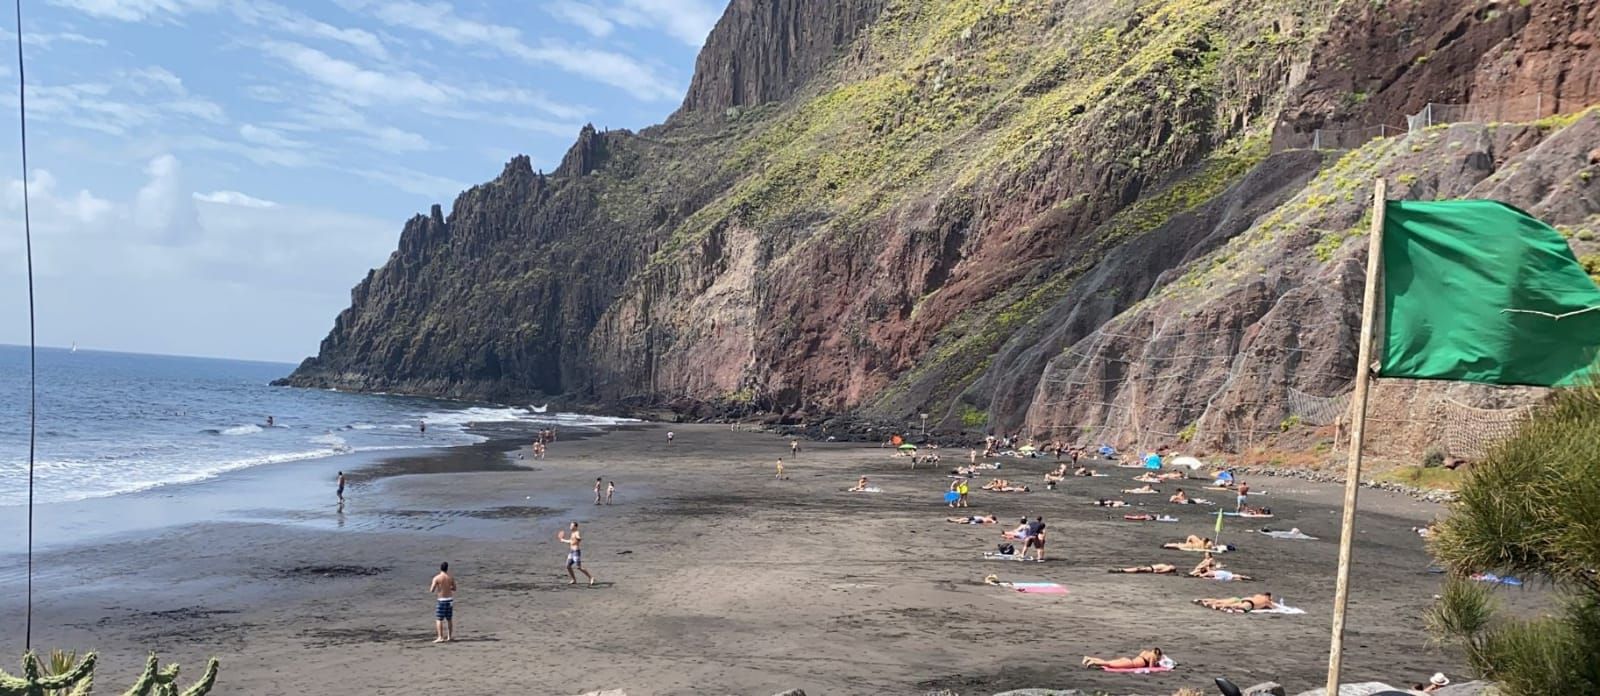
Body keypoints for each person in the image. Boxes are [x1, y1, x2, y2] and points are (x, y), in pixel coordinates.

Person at [558, 521, 594, 586]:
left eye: (572, 526)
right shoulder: (572, 533)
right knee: (568, 566)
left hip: (576, 552)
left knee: (578, 567)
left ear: (575, 526)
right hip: (571, 552)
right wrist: (563, 540)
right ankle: (574, 580)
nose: (570, 527)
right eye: (570, 525)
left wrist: (579, 538)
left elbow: (578, 537)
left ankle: (591, 577)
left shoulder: (577, 533)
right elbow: (571, 542)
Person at [430, 562, 456, 643]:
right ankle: (449, 636)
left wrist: (439, 587)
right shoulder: (450, 577)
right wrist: (448, 587)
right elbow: (454, 588)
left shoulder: (437, 578)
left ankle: (440, 637)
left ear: (440, 568)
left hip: (442, 600)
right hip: (450, 600)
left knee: (439, 619)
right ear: (447, 568)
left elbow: (432, 590)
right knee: (449, 619)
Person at [1081, 647, 1163, 670]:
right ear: (1157, 655)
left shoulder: (1145, 652)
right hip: (1130, 664)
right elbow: (1151, 668)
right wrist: (1157, 664)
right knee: (1109, 664)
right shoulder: (1152, 656)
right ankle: (1092, 662)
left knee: (1108, 662)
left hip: (1128, 660)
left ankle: (1089, 658)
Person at [1195, 592, 1274, 613]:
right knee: (1237, 607)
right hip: (1250, 603)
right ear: (1268, 597)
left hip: (1242, 599)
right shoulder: (1267, 601)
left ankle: (1203, 600)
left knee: (1219, 600)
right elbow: (1275, 608)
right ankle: (1219, 607)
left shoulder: (1258, 595)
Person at [1109, 563, 1177, 574]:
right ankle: (1122, 570)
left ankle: (1122, 570)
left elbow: (1164, 571)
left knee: (1137, 569)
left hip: (1151, 568)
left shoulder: (1168, 567)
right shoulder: (1166, 566)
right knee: (1137, 569)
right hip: (1150, 567)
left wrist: (1157, 572)